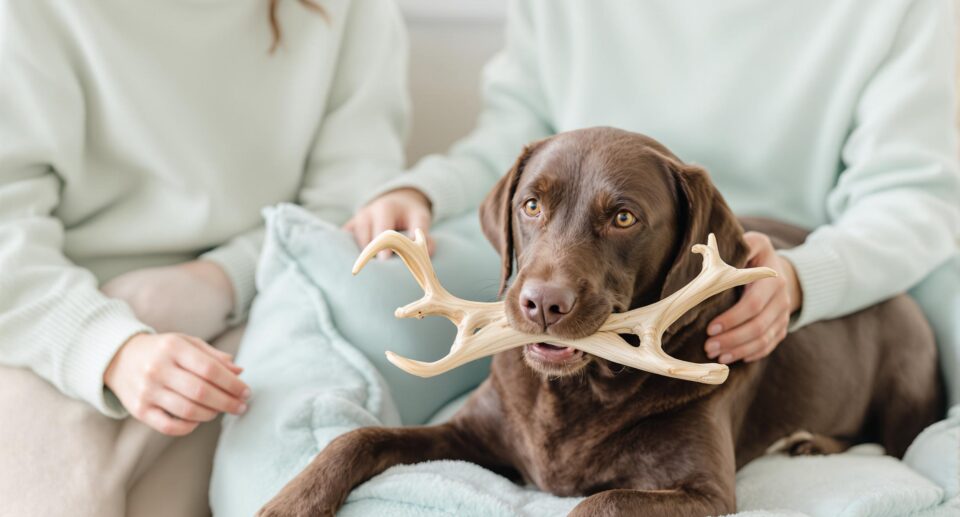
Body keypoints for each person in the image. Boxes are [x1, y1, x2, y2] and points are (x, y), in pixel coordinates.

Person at [349, 0, 960, 391]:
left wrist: (804, 281)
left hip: (783, 270)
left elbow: (915, 197)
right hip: (577, 254)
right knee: (347, 293)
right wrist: (420, 188)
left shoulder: (901, 11)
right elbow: (516, 138)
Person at [0, 0, 409, 515]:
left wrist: (219, 280)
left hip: (255, 306)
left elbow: (348, 205)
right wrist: (111, 348)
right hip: (50, 316)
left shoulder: (351, 13)